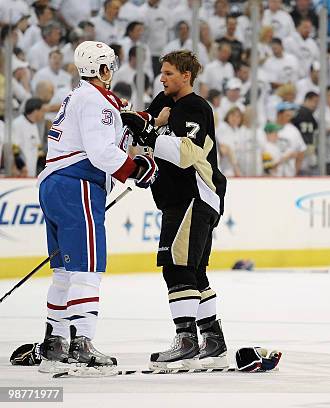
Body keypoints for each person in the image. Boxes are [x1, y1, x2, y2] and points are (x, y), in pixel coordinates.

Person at [37, 41, 158, 374]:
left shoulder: (80, 96)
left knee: (64, 272)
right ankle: (82, 346)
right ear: (103, 69)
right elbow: (102, 153)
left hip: (53, 185)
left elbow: (112, 121)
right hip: (78, 185)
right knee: (87, 270)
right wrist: (137, 169)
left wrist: (138, 119)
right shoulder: (97, 103)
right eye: (110, 66)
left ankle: (55, 345)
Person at [122, 50, 228, 369]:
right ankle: (212, 337)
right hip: (184, 198)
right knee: (194, 271)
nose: (162, 78)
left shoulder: (194, 106)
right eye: (162, 72)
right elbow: (146, 134)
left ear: (186, 76)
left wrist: (151, 130)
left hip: (193, 196)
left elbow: (186, 153)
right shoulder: (162, 101)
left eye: (169, 73)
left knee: (176, 267)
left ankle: (186, 339)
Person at [12, 98, 45, 177]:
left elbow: (38, 148)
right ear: (36, 111)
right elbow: (14, 148)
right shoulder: (17, 123)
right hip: (21, 173)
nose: (43, 114)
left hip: (32, 173)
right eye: (42, 111)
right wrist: (21, 166)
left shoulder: (34, 125)